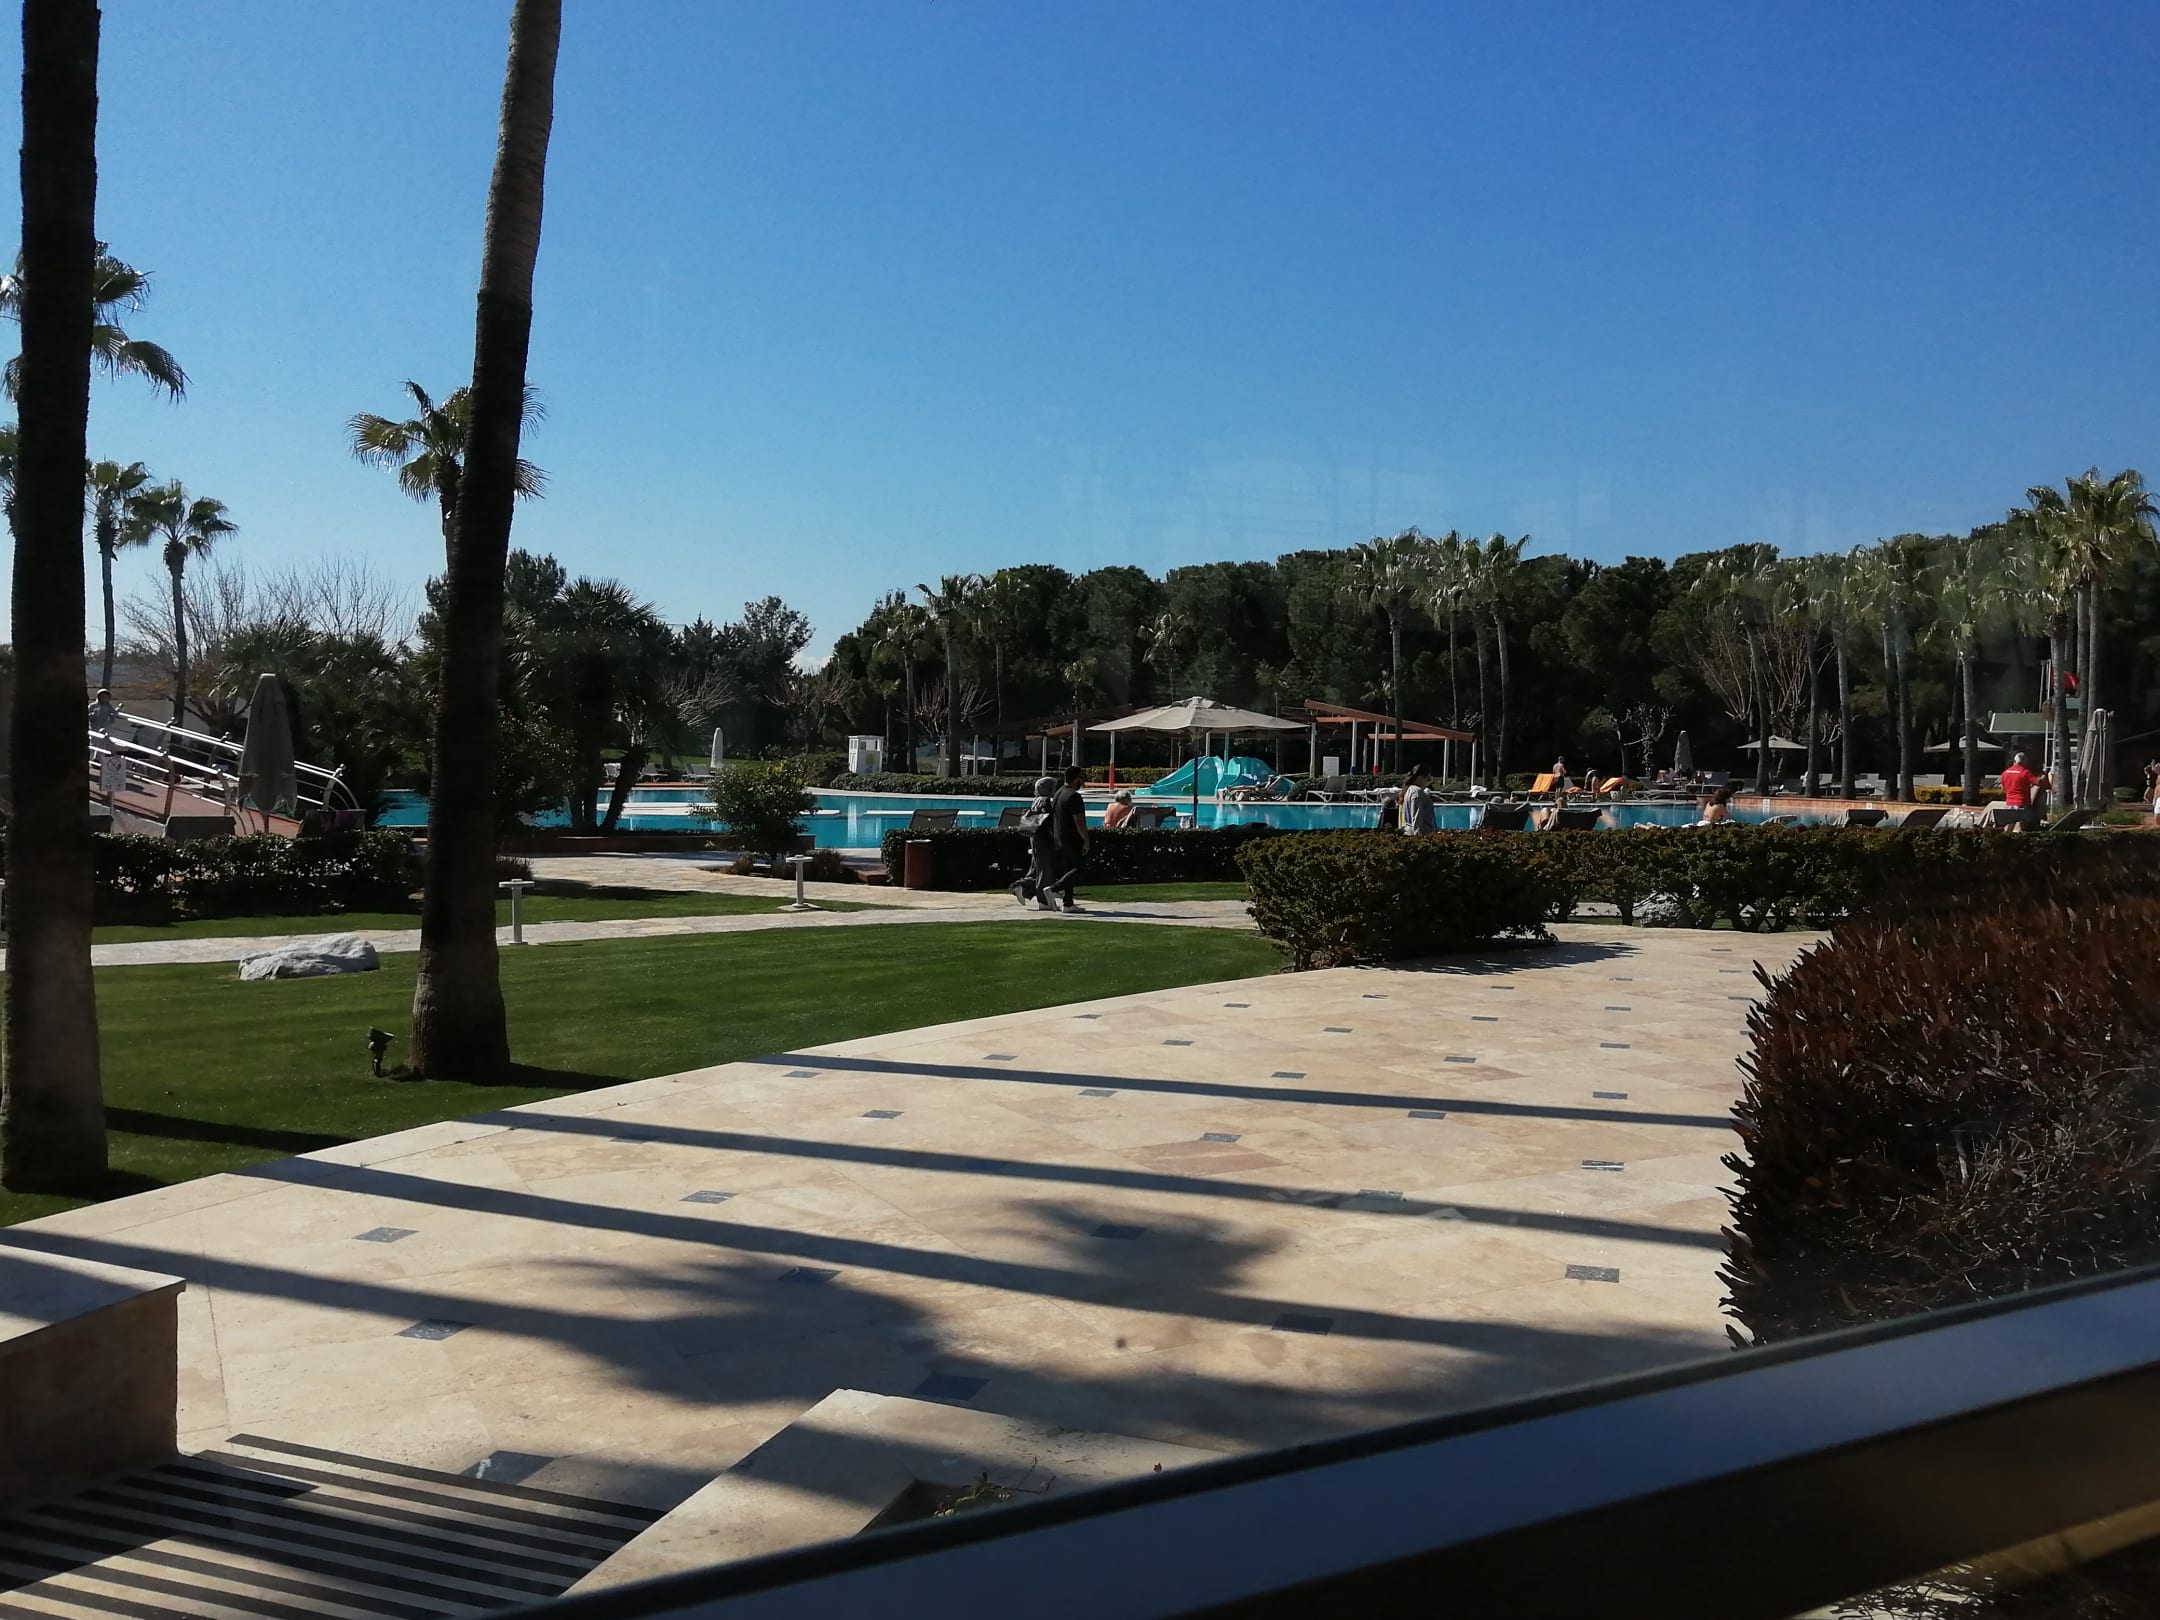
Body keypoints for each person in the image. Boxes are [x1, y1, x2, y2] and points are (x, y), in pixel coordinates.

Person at [1009, 775, 1062, 909]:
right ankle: (1043, 901)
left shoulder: (1036, 800)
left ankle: (1023, 887)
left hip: (1035, 837)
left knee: (1037, 868)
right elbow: (1049, 821)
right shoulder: (1046, 801)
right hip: (1045, 838)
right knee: (1045, 869)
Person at [1043, 765, 1091, 909]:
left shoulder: (1058, 793)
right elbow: (1079, 821)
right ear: (1076, 779)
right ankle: (1054, 889)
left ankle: (1068, 903)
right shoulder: (1074, 796)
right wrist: (1086, 840)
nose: (1082, 782)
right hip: (1072, 838)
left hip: (1059, 837)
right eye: (1081, 778)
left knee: (1068, 869)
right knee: (1079, 868)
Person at [1401, 763, 1437, 835]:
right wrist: (1418, 835)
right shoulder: (1416, 792)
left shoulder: (1409, 790)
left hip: (1409, 830)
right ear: (1420, 778)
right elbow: (1416, 815)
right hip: (1422, 833)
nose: (1429, 782)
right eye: (1428, 779)